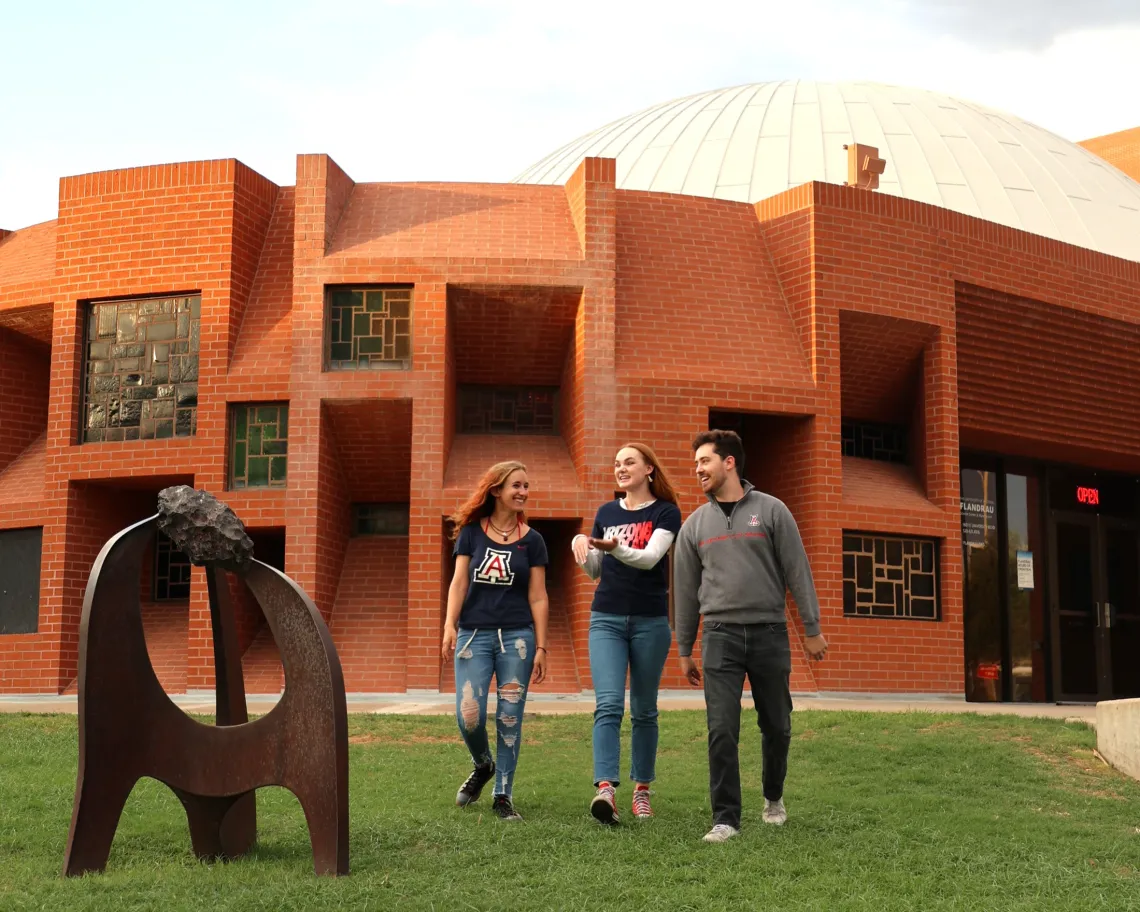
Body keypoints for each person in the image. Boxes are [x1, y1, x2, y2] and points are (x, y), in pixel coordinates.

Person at [672, 429, 828, 843]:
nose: (698, 470)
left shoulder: (772, 511)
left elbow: (798, 570)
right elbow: (685, 590)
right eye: (696, 464)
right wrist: (684, 647)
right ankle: (726, 818)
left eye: (704, 461)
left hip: (769, 633)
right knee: (721, 728)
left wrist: (811, 629)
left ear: (729, 463)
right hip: (718, 636)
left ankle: (773, 796)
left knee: (776, 724)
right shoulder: (694, 525)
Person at [572, 443, 682, 825]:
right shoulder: (605, 512)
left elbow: (650, 558)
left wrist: (614, 547)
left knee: (645, 709)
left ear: (648, 468)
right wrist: (582, 547)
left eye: (629, 462)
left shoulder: (665, 512)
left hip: (650, 621)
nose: (621, 468)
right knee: (608, 705)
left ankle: (642, 792)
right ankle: (605, 789)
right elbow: (595, 571)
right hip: (606, 619)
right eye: (616, 463)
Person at [442, 460, 550, 822]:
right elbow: (458, 583)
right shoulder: (471, 533)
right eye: (516, 485)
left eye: (526, 486)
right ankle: (483, 764)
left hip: (517, 638)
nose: (522, 492)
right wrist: (449, 625)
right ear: (496, 491)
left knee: (509, 718)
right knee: (468, 716)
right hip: (474, 634)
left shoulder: (533, 541)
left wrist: (541, 646)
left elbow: (538, 596)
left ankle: (503, 795)